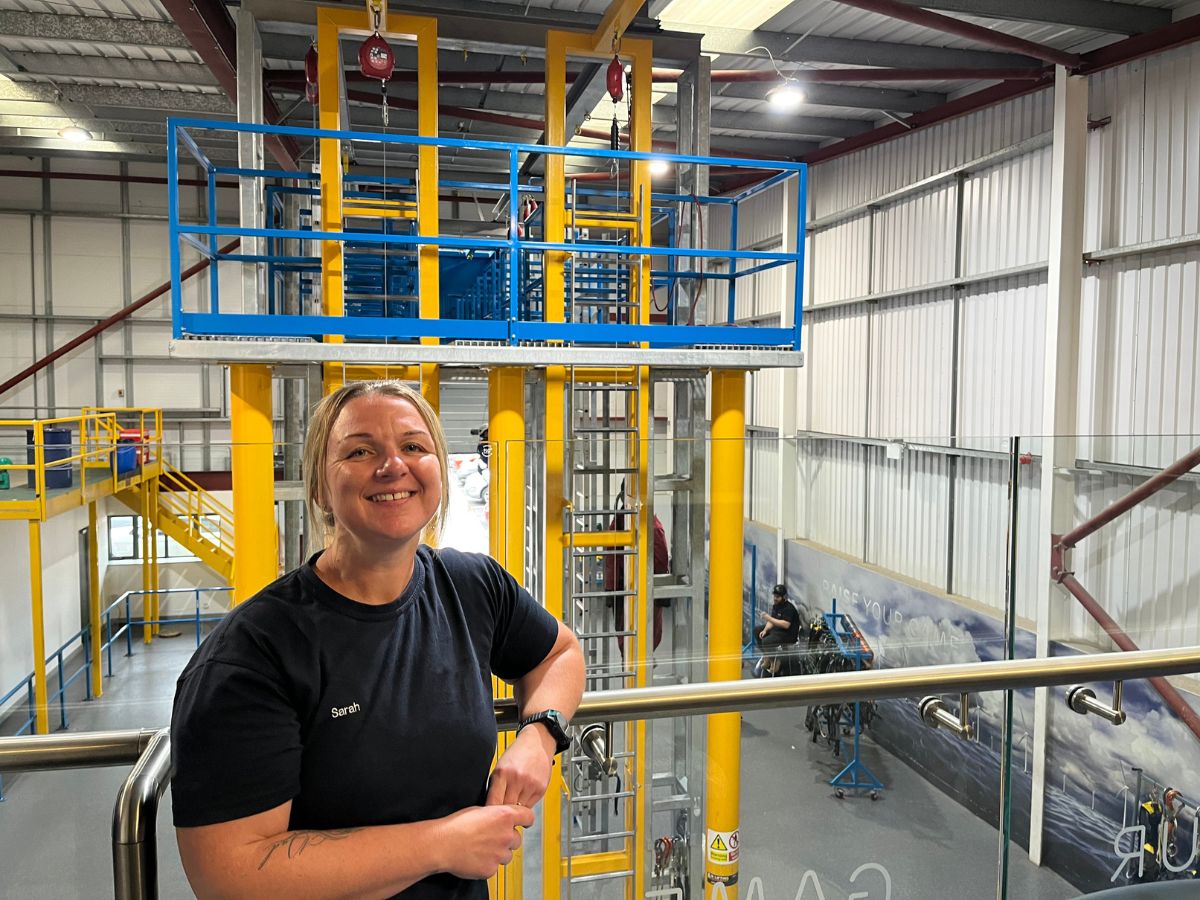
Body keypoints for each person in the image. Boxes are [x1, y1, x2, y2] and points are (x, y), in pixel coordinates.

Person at [170, 380, 585, 899]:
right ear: (319, 485)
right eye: (360, 451)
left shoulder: (470, 586)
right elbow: (227, 874)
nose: (393, 465)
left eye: (414, 446)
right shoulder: (256, 652)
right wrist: (439, 844)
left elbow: (560, 653)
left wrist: (539, 736)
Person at [755, 583, 800, 676]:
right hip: (778, 630)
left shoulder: (789, 608)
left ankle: (777, 661)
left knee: (767, 641)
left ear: (783, 597)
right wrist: (765, 630)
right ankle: (768, 656)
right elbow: (772, 621)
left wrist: (768, 618)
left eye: (778, 597)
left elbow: (786, 625)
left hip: (788, 634)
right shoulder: (776, 605)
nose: (775, 598)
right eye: (774, 596)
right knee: (757, 631)